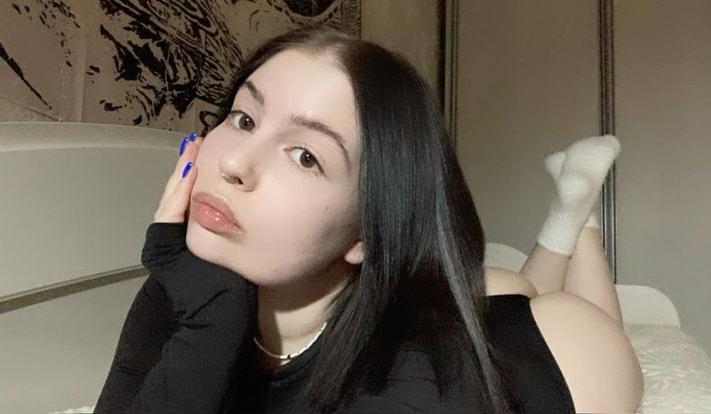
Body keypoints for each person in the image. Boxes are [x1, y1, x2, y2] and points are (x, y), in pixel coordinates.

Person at [94, 27, 643, 413]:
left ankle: (579, 219)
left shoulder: (407, 389)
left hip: (564, 349)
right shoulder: (192, 289)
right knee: (506, 283)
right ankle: (569, 209)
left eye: (305, 156)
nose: (234, 164)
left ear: (367, 231)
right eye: (243, 118)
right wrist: (212, 315)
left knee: (553, 308)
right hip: (404, 307)